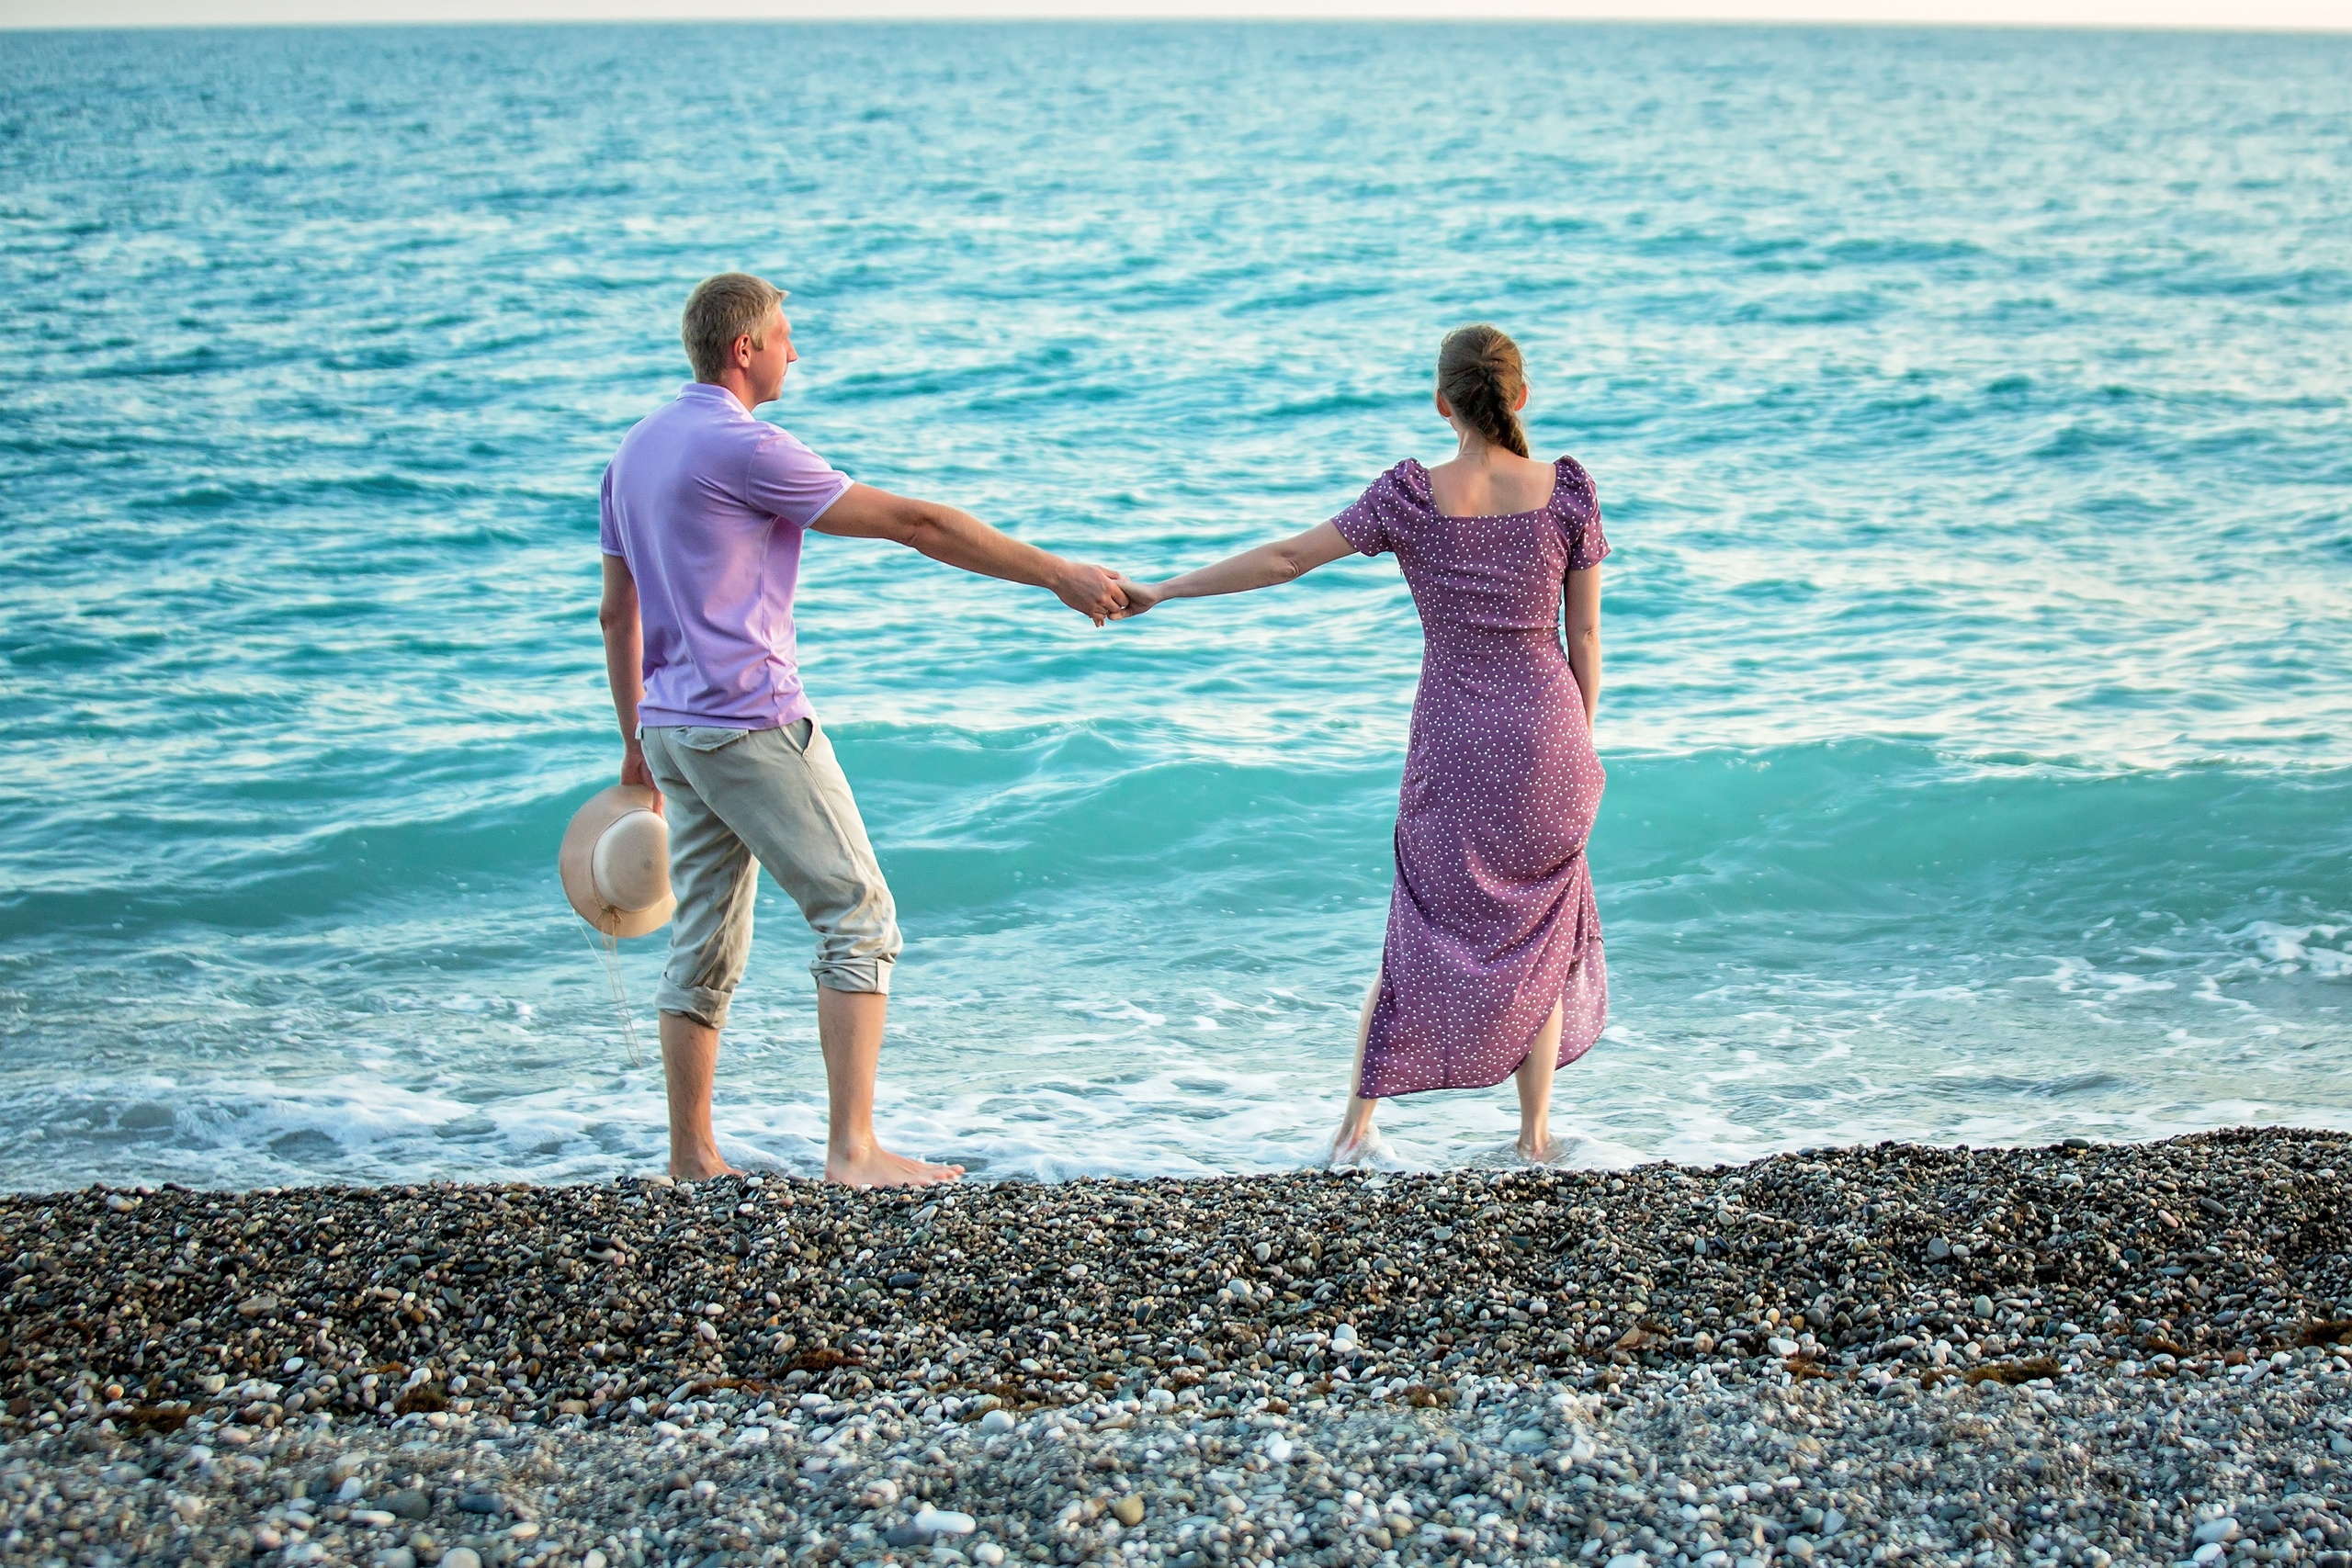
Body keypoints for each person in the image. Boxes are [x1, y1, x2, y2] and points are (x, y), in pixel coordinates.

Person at [598, 272, 1130, 1186]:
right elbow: (916, 523)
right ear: (744, 350)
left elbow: (617, 614)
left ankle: (692, 1158)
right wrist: (1057, 574)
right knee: (858, 916)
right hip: (750, 721)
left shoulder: (634, 453)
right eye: (784, 335)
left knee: (703, 944)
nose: (794, 350)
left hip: (676, 729)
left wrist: (634, 740)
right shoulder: (742, 448)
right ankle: (854, 1151)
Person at [1116, 324, 1607, 1166]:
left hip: (1453, 740)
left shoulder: (1410, 496)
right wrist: (1580, 745)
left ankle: (1357, 1127)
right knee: (1543, 929)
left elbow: (1285, 559)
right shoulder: (1568, 490)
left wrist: (1164, 588)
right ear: (1520, 396)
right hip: (1551, 740)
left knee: (1417, 922)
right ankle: (1533, 1138)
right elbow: (1586, 638)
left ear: (1442, 402)